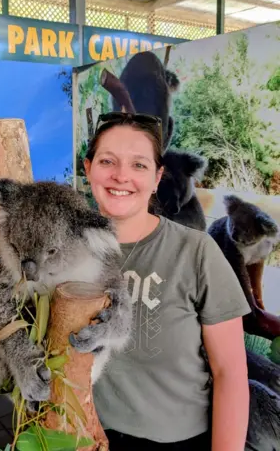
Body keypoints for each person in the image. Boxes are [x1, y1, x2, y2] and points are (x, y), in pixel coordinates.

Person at [83, 112, 251, 451]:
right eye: (107, 161)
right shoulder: (67, 249)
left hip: (175, 440)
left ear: (158, 177)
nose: (121, 175)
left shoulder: (195, 251)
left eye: (139, 165)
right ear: (88, 169)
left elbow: (230, 374)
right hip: (83, 434)